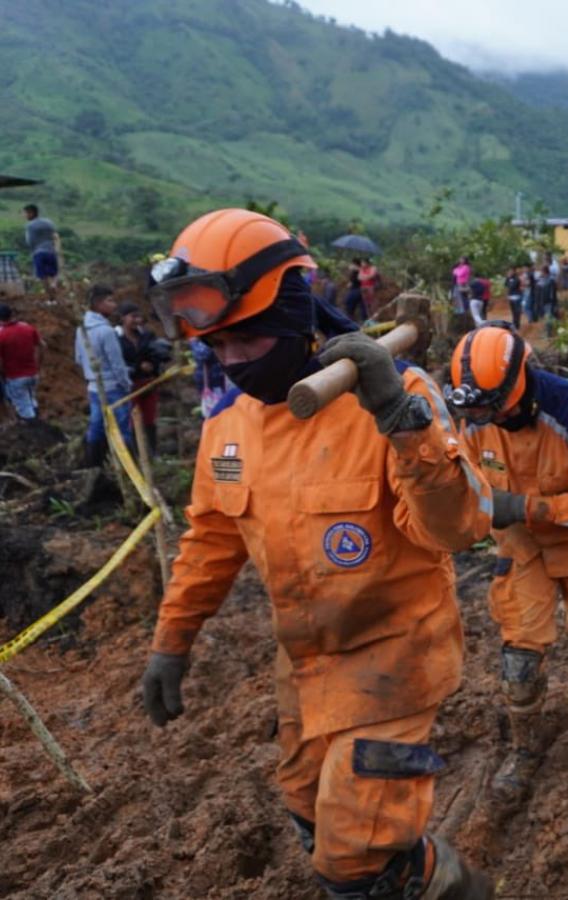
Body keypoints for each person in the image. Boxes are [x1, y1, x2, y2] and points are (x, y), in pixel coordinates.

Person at [140, 208, 494, 899]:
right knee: (308, 811)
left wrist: (401, 422)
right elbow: (210, 542)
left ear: (292, 316)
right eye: (217, 344)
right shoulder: (228, 429)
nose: (232, 360)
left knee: (354, 859)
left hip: (396, 659)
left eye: (247, 338)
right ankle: (429, 877)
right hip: (303, 667)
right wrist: (171, 640)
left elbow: (462, 527)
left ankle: (450, 886)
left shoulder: (395, 398)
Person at [447, 324, 568, 805]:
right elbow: (466, 480)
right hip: (524, 547)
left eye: (496, 409)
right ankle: (524, 749)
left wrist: (520, 507)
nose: (489, 419)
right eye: (479, 412)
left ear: (521, 379)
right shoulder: (475, 419)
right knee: (519, 654)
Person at [75, 285, 133, 466]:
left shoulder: (81, 329)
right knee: (123, 427)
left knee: (96, 425)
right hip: (113, 387)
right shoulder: (106, 331)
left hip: (93, 387)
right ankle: (128, 464)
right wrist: (126, 384)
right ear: (98, 304)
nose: (114, 305)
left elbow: (78, 358)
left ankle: (93, 464)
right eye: (110, 301)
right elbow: (117, 364)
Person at [116, 302, 170, 454]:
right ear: (123, 318)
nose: (137, 320)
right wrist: (138, 367)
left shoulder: (147, 335)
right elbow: (117, 362)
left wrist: (153, 364)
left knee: (149, 418)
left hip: (148, 382)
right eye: (133, 317)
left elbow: (157, 354)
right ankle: (136, 453)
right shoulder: (116, 338)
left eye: (138, 317)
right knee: (131, 418)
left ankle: (152, 452)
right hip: (129, 384)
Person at [0, 303, 45, 421]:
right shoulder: (27, 327)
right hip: (32, 373)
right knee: (31, 400)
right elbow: (42, 346)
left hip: (15, 377)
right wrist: (38, 365)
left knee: (23, 408)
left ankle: (33, 427)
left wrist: (3, 374)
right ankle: (40, 424)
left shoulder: (1, 334)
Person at [23, 204, 59, 300]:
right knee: (54, 273)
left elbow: (29, 241)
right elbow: (54, 235)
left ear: (31, 213)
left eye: (25, 213)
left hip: (38, 253)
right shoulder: (49, 222)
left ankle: (51, 298)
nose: (24, 216)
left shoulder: (30, 225)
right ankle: (54, 285)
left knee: (43, 276)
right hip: (51, 252)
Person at [190, 337, 229, 419]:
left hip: (216, 378)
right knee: (211, 405)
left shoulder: (207, 338)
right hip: (209, 379)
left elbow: (203, 355)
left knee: (219, 407)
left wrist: (193, 342)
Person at [535, 265, 558, 336]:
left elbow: (552, 293)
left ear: (544, 272)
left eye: (541, 271)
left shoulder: (550, 280)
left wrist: (553, 303)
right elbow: (538, 293)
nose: (540, 273)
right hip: (543, 302)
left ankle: (549, 333)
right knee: (546, 317)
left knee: (548, 317)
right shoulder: (541, 280)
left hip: (548, 302)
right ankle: (547, 331)